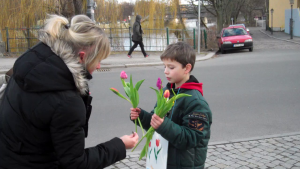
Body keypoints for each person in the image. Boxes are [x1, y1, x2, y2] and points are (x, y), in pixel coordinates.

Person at [0, 14, 139, 169]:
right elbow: (76, 163)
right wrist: (120, 145)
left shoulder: (29, 66)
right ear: (82, 57)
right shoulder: (67, 100)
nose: (99, 66)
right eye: (98, 60)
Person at [130, 42, 212, 168]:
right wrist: (141, 116)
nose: (165, 71)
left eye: (171, 67)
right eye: (164, 66)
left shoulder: (196, 102)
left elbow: (191, 138)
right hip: (165, 162)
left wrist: (163, 125)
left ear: (187, 68)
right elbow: (155, 121)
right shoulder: (167, 92)